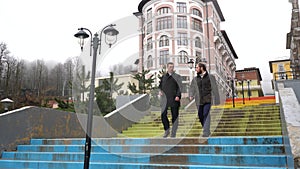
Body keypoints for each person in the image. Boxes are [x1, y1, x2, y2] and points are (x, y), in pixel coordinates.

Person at [159, 62, 182, 138]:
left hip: (174, 98)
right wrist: (160, 91)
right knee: (163, 115)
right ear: (167, 68)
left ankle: (173, 133)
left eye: (172, 67)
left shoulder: (177, 77)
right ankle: (167, 130)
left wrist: (178, 96)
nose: (171, 68)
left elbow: (180, 87)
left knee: (175, 117)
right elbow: (160, 86)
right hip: (165, 99)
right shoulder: (163, 77)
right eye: (170, 67)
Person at [189, 62, 212, 137]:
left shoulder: (210, 77)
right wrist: (191, 95)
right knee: (200, 115)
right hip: (198, 100)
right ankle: (207, 130)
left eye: (197, 67)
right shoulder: (195, 79)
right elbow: (192, 88)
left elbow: (214, 88)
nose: (196, 69)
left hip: (207, 99)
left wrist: (216, 99)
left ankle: (205, 132)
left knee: (206, 114)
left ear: (202, 68)